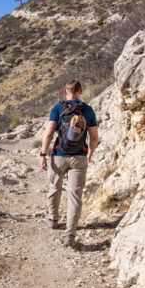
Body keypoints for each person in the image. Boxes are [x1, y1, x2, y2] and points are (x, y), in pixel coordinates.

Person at [39, 79, 99, 248]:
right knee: (74, 195)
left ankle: (52, 219)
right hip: (79, 157)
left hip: (59, 155)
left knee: (54, 188)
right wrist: (91, 153)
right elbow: (94, 137)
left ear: (65, 91)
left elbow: (49, 133)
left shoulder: (58, 108)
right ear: (80, 91)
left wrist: (43, 154)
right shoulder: (87, 110)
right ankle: (70, 235)